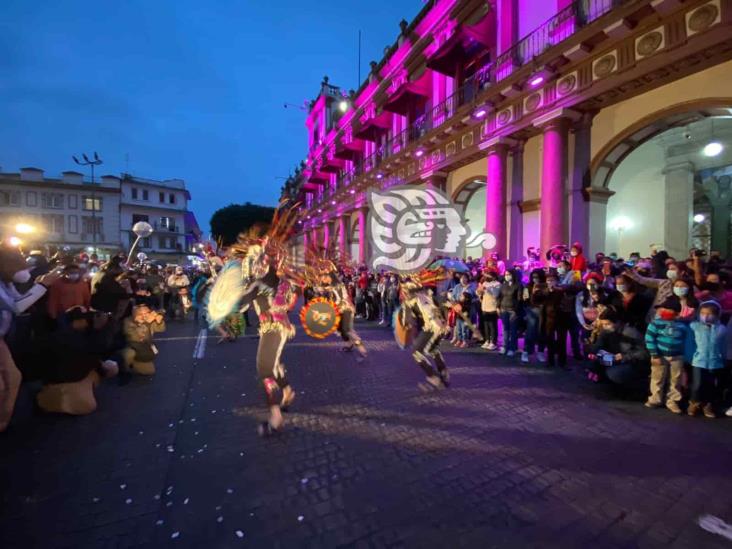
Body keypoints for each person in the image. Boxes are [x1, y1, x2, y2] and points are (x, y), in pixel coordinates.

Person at [36, 306, 119, 415]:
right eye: (85, 319)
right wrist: (100, 329)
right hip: (63, 383)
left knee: (109, 367)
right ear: (77, 321)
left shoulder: (65, 334)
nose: (88, 321)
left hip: (59, 378)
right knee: (109, 369)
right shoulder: (71, 338)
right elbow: (94, 350)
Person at [397, 272, 450, 391]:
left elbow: (408, 319)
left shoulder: (411, 300)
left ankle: (434, 377)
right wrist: (451, 303)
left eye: (405, 290)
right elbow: (441, 301)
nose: (405, 293)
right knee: (432, 350)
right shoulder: (427, 294)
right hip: (440, 327)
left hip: (433, 327)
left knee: (417, 353)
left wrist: (406, 324)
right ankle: (443, 372)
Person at [644, 297, 690, 414]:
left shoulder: (682, 325)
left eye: (666, 309)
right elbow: (649, 338)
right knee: (657, 377)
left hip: (677, 357)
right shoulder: (656, 323)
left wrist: (685, 356)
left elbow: (687, 340)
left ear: (675, 312)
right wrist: (654, 354)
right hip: (659, 355)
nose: (662, 311)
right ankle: (655, 398)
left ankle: (672, 401)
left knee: (675, 379)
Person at [585, 308, 649, 388]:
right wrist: (597, 353)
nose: (605, 327)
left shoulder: (631, 333)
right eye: (603, 324)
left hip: (630, 362)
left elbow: (645, 352)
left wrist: (625, 356)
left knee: (614, 374)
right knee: (592, 364)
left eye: (607, 324)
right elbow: (598, 346)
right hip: (613, 359)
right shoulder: (606, 332)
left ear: (617, 322)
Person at [687, 301, 727, 418]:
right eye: (703, 313)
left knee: (711, 385)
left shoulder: (722, 329)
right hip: (699, 361)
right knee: (697, 384)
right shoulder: (695, 326)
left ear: (717, 315)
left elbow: (724, 345)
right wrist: (690, 357)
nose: (706, 316)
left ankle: (708, 405)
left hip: (716, 362)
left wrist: (724, 358)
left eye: (709, 313)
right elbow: (690, 343)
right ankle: (694, 403)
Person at [533, 272, 572, 370]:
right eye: (548, 280)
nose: (550, 282)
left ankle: (562, 362)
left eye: (552, 280)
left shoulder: (562, 289)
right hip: (548, 319)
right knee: (549, 340)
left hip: (562, 318)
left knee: (561, 341)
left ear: (557, 281)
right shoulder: (543, 289)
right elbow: (535, 300)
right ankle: (550, 361)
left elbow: (571, 290)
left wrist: (557, 289)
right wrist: (547, 291)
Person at [121, 304, 166, 375]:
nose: (144, 316)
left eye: (146, 313)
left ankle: (135, 366)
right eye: (140, 314)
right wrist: (146, 322)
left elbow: (160, 329)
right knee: (128, 353)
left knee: (149, 371)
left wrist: (159, 321)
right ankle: (124, 369)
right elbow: (135, 337)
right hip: (131, 347)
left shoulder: (149, 322)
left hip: (143, 350)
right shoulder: (128, 321)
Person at [521, 269, 546, 363]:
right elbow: (525, 300)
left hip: (543, 311)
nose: (536, 279)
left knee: (542, 332)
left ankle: (540, 351)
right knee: (530, 332)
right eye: (534, 277)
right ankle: (526, 351)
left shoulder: (545, 286)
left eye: (538, 277)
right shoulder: (528, 286)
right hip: (531, 311)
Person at [497, 269, 522, 356]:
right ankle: (505, 346)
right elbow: (499, 297)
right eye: (506, 274)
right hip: (503, 309)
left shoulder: (518, 285)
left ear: (513, 275)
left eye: (509, 274)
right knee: (505, 329)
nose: (507, 276)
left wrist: (516, 311)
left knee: (513, 330)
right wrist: (498, 307)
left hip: (513, 310)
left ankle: (512, 348)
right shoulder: (503, 285)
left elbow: (519, 299)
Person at [477, 272, 501, 351]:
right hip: (484, 306)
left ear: (493, 276)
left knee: (492, 325)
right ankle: (487, 340)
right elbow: (479, 293)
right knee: (486, 325)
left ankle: (493, 342)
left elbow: (495, 294)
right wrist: (479, 291)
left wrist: (487, 289)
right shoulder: (485, 283)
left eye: (488, 275)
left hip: (492, 307)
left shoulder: (497, 284)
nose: (486, 277)